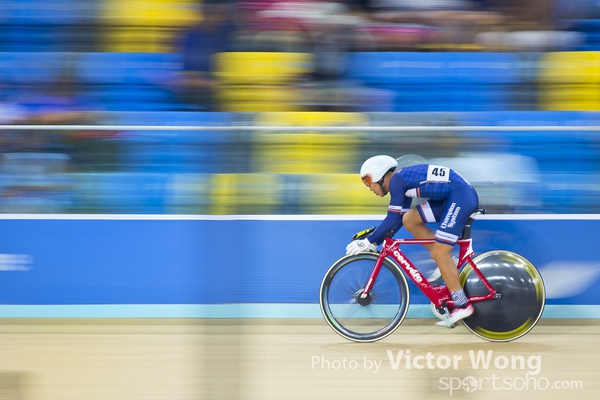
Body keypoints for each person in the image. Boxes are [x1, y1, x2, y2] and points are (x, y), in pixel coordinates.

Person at [345, 155, 479, 326]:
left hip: (460, 196)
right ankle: (448, 260)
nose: (369, 187)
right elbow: (399, 219)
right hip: (453, 196)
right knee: (410, 219)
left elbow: (391, 219)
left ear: (379, 175)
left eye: (367, 180)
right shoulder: (401, 182)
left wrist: (369, 241)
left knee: (439, 254)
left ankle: (462, 304)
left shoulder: (397, 181)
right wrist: (376, 237)